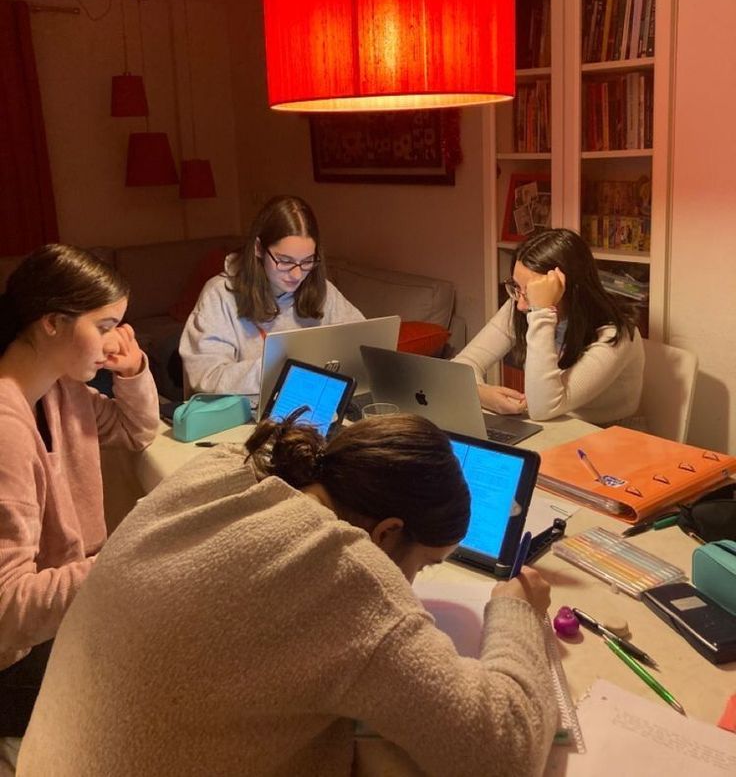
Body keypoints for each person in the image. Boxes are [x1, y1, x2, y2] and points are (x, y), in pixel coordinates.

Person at [18, 413, 557, 777]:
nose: (412, 586)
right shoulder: (345, 576)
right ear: (387, 533)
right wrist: (516, 613)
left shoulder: (221, 470)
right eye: (423, 565)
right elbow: (503, 749)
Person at [0, 244, 160, 736]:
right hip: (13, 660)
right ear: (52, 322)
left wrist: (131, 371)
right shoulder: (5, 428)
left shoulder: (59, 388)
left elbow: (137, 430)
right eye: (107, 326)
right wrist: (124, 562)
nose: (115, 342)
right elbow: (7, 612)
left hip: (54, 616)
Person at [180, 195, 363, 402]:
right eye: (285, 261)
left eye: (307, 261)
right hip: (245, 418)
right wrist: (278, 370)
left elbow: (362, 345)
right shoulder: (220, 295)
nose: (296, 275)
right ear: (258, 248)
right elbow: (205, 377)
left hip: (311, 406)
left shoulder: (321, 290)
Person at [455, 228, 644, 425]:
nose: (520, 304)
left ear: (567, 290)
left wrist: (541, 312)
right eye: (517, 288)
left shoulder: (616, 334)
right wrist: (481, 394)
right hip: (551, 428)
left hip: (607, 437)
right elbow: (460, 367)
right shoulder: (523, 303)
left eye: (531, 292)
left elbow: (542, 407)